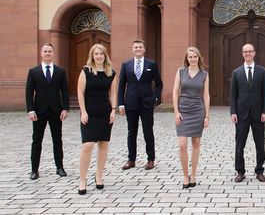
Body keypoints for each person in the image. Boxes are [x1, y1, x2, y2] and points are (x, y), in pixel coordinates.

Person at [77, 44, 117, 195]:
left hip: (105, 113)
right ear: (92, 56)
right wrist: (83, 112)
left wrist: (113, 110)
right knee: (87, 145)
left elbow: (113, 93)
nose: (99, 56)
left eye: (101, 54)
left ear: (105, 55)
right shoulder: (86, 71)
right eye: (96, 54)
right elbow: (80, 93)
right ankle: (82, 179)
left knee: (103, 145)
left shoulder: (111, 73)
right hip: (89, 113)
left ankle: (99, 176)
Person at [25, 43, 69, 180]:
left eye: (50, 51)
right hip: (39, 112)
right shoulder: (33, 71)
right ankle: (34, 170)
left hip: (56, 111)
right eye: (45, 51)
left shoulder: (60, 71)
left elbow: (65, 91)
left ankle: (60, 167)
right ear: (41, 53)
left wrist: (65, 108)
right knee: (37, 141)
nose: (48, 53)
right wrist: (30, 110)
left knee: (57, 140)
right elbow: (29, 92)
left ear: (53, 53)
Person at [118, 39, 163, 170]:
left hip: (146, 103)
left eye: (140, 47)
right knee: (131, 132)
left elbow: (159, 84)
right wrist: (120, 103)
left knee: (148, 131)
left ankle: (150, 159)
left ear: (144, 49)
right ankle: (131, 160)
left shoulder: (151, 64)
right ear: (133, 49)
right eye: (136, 47)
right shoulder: (126, 65)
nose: (138, 49)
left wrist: (155, 98)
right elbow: (121, 86)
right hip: (130, 103)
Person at [230, 43, 265, 183]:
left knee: (260, 144)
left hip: (258, 114)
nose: (247, 54)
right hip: (241, 114)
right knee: (240, 144)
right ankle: (240, 171)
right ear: (242, 54)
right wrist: (233, 112)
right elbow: (233, 95)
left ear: (254, 53)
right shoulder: (236, 72)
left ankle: (259, 171)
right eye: (245, 51)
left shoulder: (262, 71)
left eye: (250, 51)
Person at [172, 47, 210, 189]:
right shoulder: (181, 72)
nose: (192, 59)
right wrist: (176, 112)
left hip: (197, 110)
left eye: (195, 57)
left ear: (199, 58)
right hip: (183, 110)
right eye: (190, 57)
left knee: (196, 144)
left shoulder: (204, 74)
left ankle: (193, 175)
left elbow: (206, 95)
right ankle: (185, 176)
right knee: (182, 145)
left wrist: (207, 116)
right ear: (186, 59)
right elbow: (175, 92)